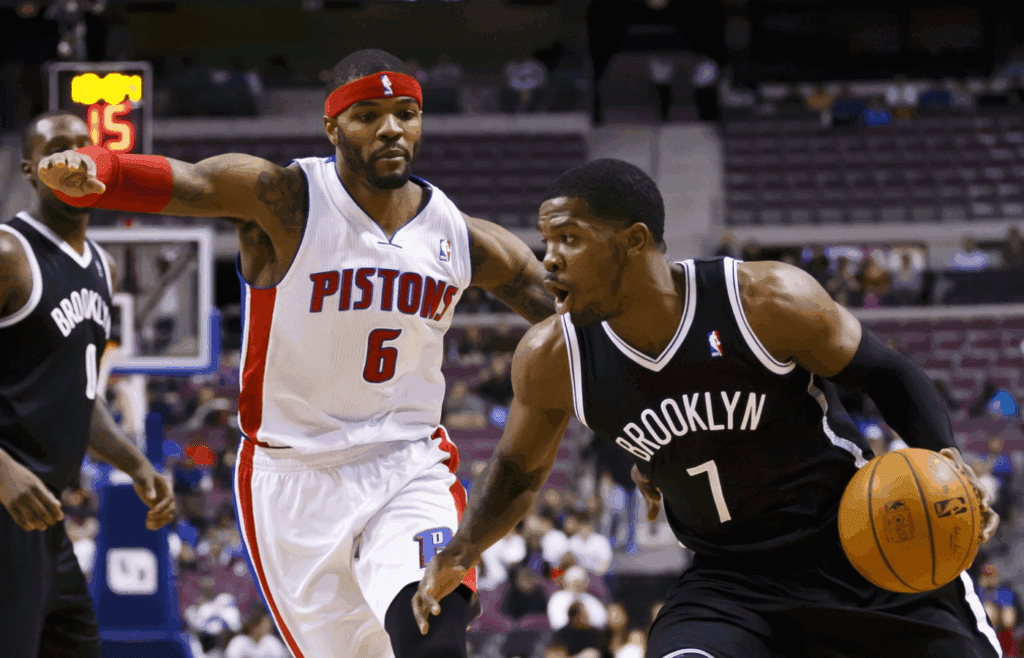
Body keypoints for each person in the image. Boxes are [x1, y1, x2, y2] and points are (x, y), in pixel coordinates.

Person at [38, 49, 554, 658]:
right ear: (332, 127)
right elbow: (193, 181)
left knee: (432, 639)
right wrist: (101, 165)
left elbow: (572, 329)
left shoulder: (458, 235)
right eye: (368, 115)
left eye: (406, 113)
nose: (391, 128)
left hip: (408, 463)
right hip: (296, 477)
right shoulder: (285, 200)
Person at [414, 158, 1002, 657]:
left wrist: (947, 463)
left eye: (569, 239)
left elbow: (889, 373)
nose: (549, 260)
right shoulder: (551, 358)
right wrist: (462, 549)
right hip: (730, 580)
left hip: (857, 545)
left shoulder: (763, 300)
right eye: (546, 243)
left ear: (635, 241)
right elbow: (518, 470)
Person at [2, 110, 176, 658]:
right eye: (58, 150)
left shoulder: (103, 265)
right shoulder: (9, 254)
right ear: (32, 170)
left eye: (85, 148)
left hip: (46, 516)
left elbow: (80, 392)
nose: (74, 159)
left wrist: (134, 462)